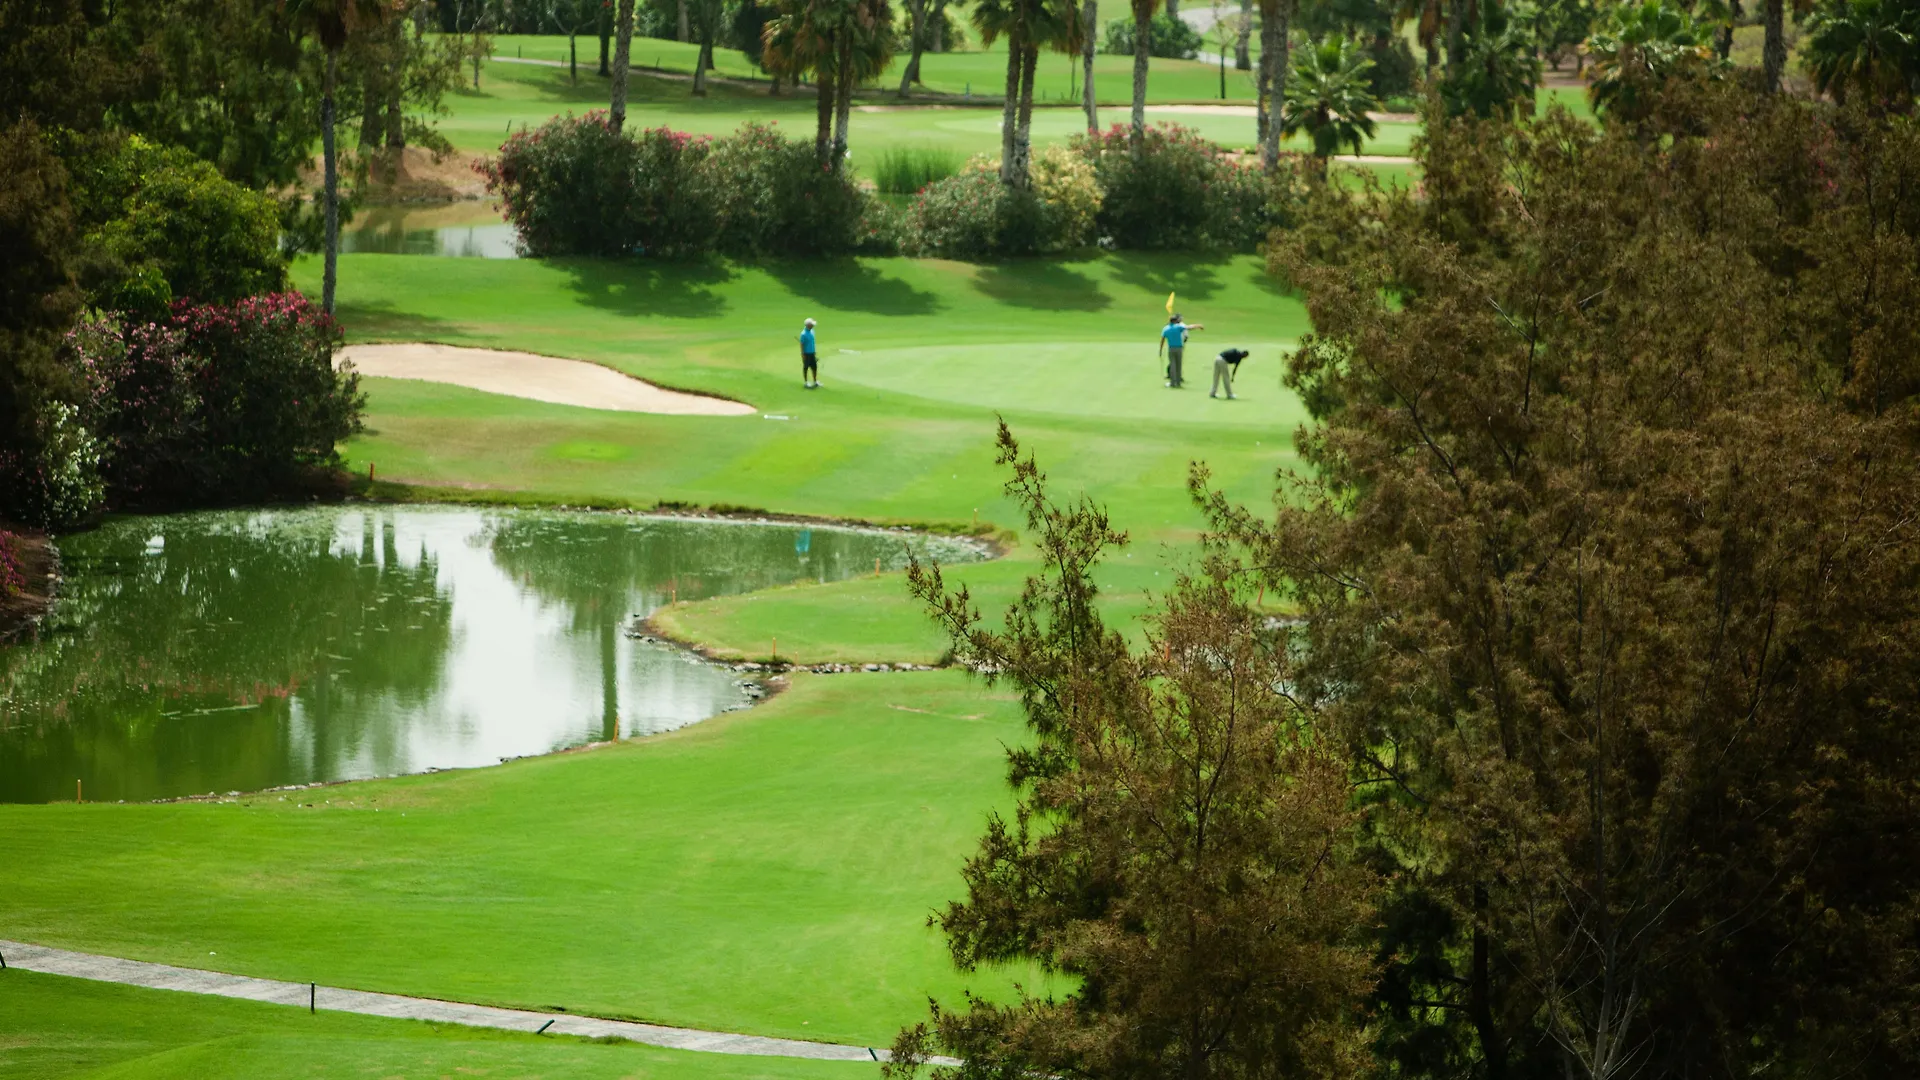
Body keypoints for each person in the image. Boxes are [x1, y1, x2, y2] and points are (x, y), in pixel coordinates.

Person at [1159, 314, 1203, 388]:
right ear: (1175, 321)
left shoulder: (1165, 328)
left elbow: (1162, 340)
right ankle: (1178, 382)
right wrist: (1198, 326)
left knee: (1172, 365)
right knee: (1178, 365)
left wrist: (1160, 350)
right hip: (1179, 348)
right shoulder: (1178, 327)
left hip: (1171, 348)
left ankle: (1173, 383)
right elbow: (1189, 327)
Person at [798, 318, 819, 388]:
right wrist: (802, 354)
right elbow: (801, 345)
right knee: (806, 368)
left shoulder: (812, 331)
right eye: (812, 325)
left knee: (814, 367)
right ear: (808, 325)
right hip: (806, 353)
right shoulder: (803, 334)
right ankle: (806, 382)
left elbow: (812, 343)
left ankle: (815, 381)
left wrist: (814, 352)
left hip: (812, 352)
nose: (813, 326)